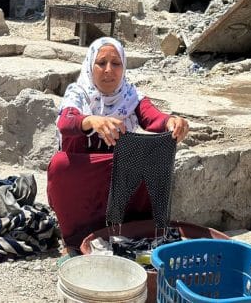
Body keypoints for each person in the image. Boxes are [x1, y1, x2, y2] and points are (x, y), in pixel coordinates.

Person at [47, 37, 189, 258]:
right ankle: (75, 240)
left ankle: (130, 230)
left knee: (153, 155)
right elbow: (66, 121)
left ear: (123, 67)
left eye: (116, 64)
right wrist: (91, 121)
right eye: (101, 63)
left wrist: (172, 122)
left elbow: (153, 118)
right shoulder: (79, 92)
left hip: (121, 173)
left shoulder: (130, 95)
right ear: (89, 65)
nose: (108, 70)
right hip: (87, 175)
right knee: (60, 165)